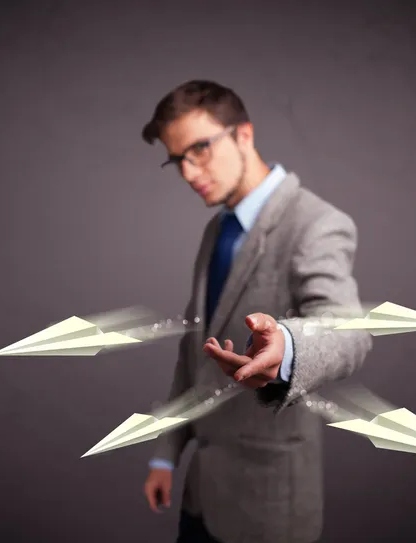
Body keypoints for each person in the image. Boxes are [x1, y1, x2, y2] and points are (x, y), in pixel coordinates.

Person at [141, 80, 373, 543]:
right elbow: (194, 353)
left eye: (200, 150)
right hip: (200, 494)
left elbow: (347, 331)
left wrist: (288, 348)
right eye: (177, 160)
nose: (188, 172)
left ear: (243, 134)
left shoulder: (316, 223)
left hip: (268, 509)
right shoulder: (216, 231)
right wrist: (165, 454)